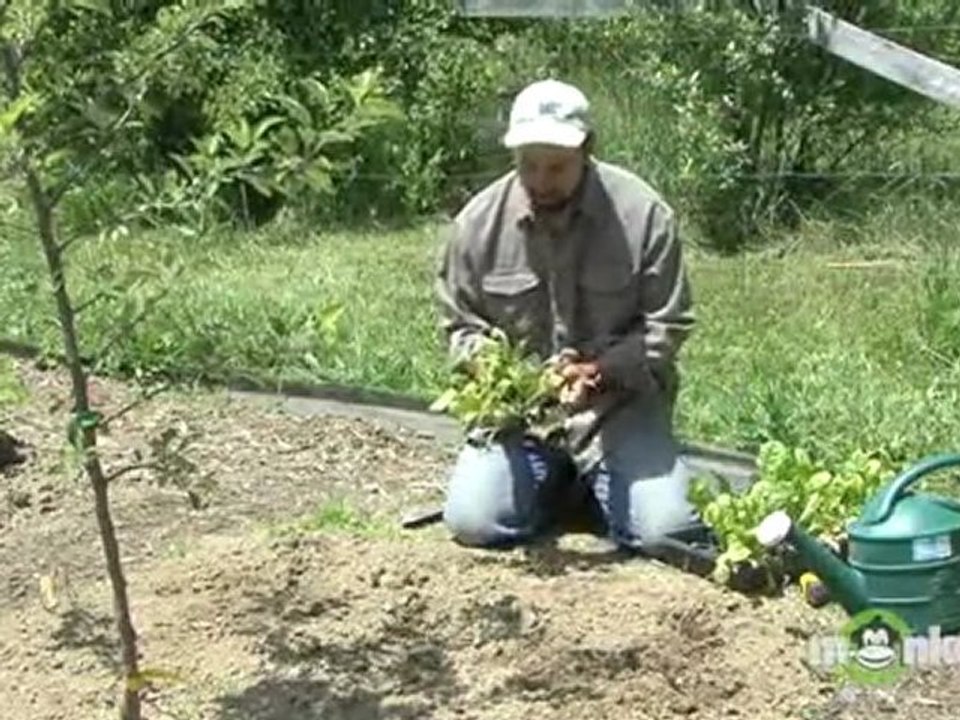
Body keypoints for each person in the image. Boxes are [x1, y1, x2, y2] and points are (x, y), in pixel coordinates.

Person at [434, 78, 698, 555]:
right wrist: (524, 383)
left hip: (618, 411)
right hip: (521, 422)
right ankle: (565, 487)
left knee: (669, 533)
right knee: (474, 522)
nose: (540, 181)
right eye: (527, 166)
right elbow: (461, 326)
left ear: (588, 149)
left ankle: (598, 482)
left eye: (556, 167)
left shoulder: (643, 215)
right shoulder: (476, 225)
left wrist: (597, 372)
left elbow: (668, 326)